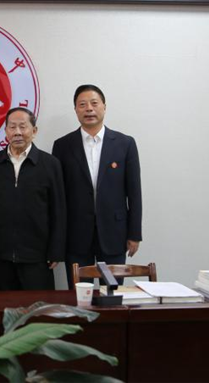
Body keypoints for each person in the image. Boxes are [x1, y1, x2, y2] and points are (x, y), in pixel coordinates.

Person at [51, 84, 142, 289]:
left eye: (94, 103)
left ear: (104, 107)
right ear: (76, 110)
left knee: (112, 293)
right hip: (75, 234)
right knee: (80, 294)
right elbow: (58, 196)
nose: (89, 109)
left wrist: (134, 234)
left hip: (114, 233)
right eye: (82, 105)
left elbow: (134, 192)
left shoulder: (125, 143)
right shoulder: (62, 145)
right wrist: (58, 239)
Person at [0, 107, 66, 291]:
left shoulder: (50, 164)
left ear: (34, 131)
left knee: (39, 306)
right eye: (12, 127)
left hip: (38, 256)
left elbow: (58, 210)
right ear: (6, 131)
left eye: (23, 126)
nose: (17, 132)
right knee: (5, 306)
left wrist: (56, 250)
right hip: (1, 255)